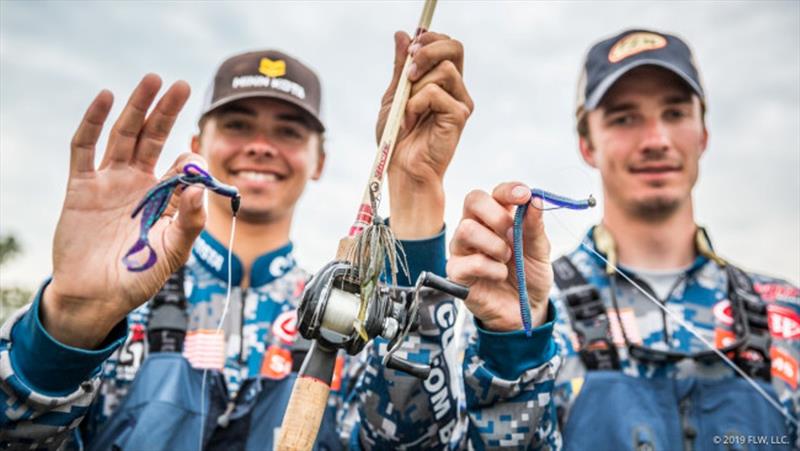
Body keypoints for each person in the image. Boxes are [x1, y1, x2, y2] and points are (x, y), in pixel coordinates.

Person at [0, 29, 473, 450]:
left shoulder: (351, 319)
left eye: (287, 131)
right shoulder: (118, 303)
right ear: (197, 146)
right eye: (237, 125)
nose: (261, 145)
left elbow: (417, 439)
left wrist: (414, 188)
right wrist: (68, 328)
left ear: (320, 161)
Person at [444, 29, 799, 449]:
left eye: (675, 113)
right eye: (624, 118)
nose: (655, 140)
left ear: (703, 133)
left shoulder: (786, 312)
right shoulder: (528, 307)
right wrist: (511, 348)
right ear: (586, 144)